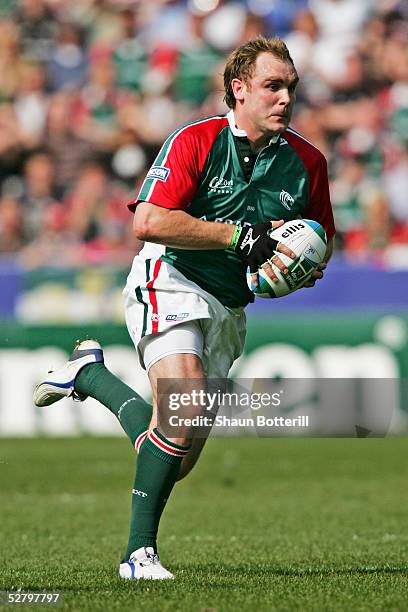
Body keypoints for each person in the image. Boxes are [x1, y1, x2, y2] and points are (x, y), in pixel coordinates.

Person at [34, 36, 335, 580]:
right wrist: (234, 238)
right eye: (272, 86)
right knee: (185, 407)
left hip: (229, 307)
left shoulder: (308, 161)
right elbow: (147, 221)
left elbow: (319, 239)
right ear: (238, 90)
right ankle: (137, 556)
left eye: (290, 87)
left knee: (178, 456)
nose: (285, 98)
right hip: (170, 276)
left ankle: (92, 375)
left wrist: (301, 266)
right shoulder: (196, 140)